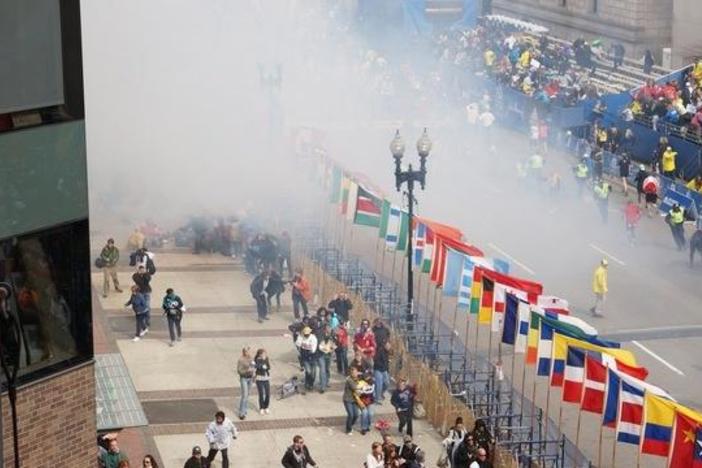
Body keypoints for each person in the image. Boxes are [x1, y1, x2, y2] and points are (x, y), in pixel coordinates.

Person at [295, 326, 318, 392]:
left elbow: (313, 348)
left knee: (313, 373)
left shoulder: (313, 338)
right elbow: (298, 343)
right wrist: (301, 338)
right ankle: (307, 383)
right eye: (305, 334)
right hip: (305, 356)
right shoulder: (301, 337)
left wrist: (310, 349)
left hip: (312, 356)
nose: (306, 335)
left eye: (307, 334)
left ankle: (311, 384)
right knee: (308, 371)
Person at [237, 346, 255, 419]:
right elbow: (239, 370)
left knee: (248, 395)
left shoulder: (251, 358)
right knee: (244, 395)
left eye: (249, 351)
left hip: (250, 378)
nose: (248, 353)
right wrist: (247, 370)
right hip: (244, 378)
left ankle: (245, 410)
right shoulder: (241, 360)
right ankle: (241, 413)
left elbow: (254, 367)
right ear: (244, 352)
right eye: (247, 351)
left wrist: (254, 374)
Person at [343, 366, 362, 434]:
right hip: (348, 400)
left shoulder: (358, 378)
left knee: (356, 415)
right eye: (353, 373)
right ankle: (348, 429)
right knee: (351, 414)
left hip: (355, 400)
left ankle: (350, 424)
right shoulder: (349, 380)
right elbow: (356, 388)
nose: (355, 374)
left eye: (356, 372)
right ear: (351, 373)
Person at [317, 325, 335, 393]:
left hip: (328, 355)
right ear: (325, 329)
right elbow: (318, 344)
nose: (329, 329)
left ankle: (326, 381)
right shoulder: (320, 335)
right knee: (322, 370)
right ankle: (322, 386)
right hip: (321, 354)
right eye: (328, 328)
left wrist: (332, 349)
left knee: (327, 369)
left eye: (330, 328)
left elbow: (334, 344)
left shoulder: (332, 335)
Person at [254, 348, 271, 414]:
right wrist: (262, 363)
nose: (265, 355)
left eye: (265, 353)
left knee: (267, 393)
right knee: (261, 394)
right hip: (259, 378)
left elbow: (269, 367)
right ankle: (261, 407)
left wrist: (266, 366)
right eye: (263, 354)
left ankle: (266, 407)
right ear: (260, 354)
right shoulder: (257, 359)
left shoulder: (266, 358)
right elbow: (257, 366)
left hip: (266, 378)